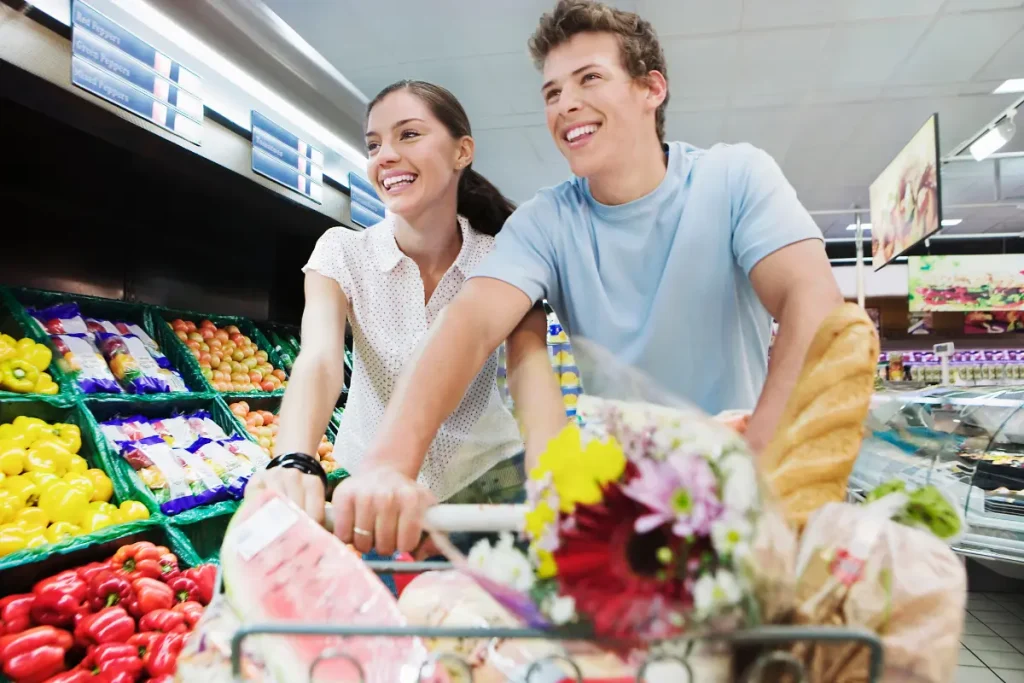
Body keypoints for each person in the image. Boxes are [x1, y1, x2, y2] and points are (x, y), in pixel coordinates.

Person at [327, 0, 845, 554]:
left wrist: (764, 452)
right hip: (619, 514)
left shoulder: (735, 178)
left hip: (743, 496)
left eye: (589, 79)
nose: (566, 105)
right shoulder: (546, 222)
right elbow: (470, 326)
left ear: (651, 89)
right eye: (552, 92)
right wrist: (387, 466)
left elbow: (811, 303)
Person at [246, 81, 567, 558]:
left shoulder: (504, 259)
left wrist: (556, 473)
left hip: (491, 486)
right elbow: (319, 361)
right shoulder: (342, 253)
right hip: (376, 494)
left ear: (463, 151)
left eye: (409, 135)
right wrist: (294, 457)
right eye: (374, 144)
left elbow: (527, 365)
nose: (386, 156)